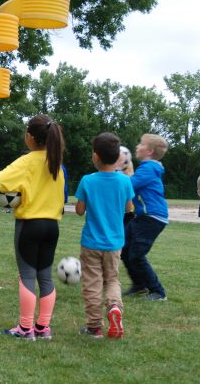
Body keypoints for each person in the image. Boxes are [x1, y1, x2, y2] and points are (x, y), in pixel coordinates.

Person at [0, 114, 67, 340]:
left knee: (27, 276)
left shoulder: (26, 161)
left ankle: (25, 328)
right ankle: (43, 328)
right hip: (52, 227)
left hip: (30, 226)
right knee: (46, 277)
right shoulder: (56, 165)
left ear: (30, 137)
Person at [74, 133, 134, 339]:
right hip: (115, 243)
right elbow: (129, 208)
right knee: (111, 280)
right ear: (118, 157)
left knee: (92, 283)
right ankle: (115, 307)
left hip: (91, 242)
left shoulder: (87, 181)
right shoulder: (125, 182)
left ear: (96, 156)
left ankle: (94, 327)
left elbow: (80, 210)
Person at [121, 133, 169, 301]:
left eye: (141, 144)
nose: (137, 146)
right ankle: (139, 284)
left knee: (136, 254)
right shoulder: (147, 168)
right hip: (142, 217)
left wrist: (117, 172)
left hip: (152, 218)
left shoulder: (149, 168)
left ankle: (158, 291)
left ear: (149, 151)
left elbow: (129, 186)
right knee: (124, 248)